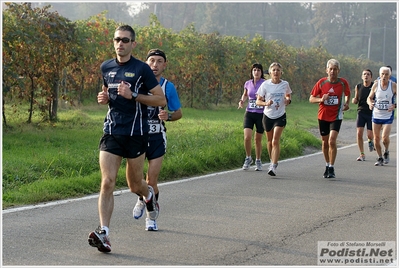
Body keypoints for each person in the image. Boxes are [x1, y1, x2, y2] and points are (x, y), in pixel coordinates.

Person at [88, 25, 166, 253]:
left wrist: (133, 95)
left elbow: (160, 99)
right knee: (107, 182)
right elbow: (107, 93)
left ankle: (149, 196)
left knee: (135, 185)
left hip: (136, 134)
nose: (120, 44)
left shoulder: (142, 69)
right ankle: (104, 233)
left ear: (133, 44)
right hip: (112, 131)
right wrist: (103, 98)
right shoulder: (106, 67)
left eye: (125, 40)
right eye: (117, 40)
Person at [133, 48, 182, 231]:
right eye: (151, 60)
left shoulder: (168, 86)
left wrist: (167, 116)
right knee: (136, 180)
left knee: (151, 180)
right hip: (137, 136)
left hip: (157, 138)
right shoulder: (137, 84)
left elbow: (178, 113)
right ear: (146, 63)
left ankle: (150, 217)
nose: (155, 65)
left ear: (164, 65)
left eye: (159, 61)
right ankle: (141, 197)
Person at [309, 59, 350, 179]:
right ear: (327, 70)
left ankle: (332, 167)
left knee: (332, 141)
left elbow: (347, 93)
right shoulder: (321, 83)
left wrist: (347, 103)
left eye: (335, 69)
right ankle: (327, 164)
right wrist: (321, 99)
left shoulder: (343, 83)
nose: (332, 71)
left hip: (337, 116)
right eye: (330, 69)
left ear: (339, 71)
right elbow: (311, 99)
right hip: (323, 115)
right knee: (325, 142)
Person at [255, 62, 292, 176]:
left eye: (278, 70)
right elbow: (258, 101)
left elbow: (288, 96)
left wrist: (287, 100)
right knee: (270, 142)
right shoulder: (265, 85)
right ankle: (272, 161)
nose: (276, 72)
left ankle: (274, 166)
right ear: (270, 73)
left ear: (281, 72)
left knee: (275, 140)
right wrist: (266, 103)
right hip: (268, 116)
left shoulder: (285, 84)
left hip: (280, 115)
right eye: (274, 70)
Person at [238, 63, 266, 171]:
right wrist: (242, 101)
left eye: (259, 70)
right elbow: (245, 94)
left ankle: (258, 160)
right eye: (254, 70)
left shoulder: (264, 83)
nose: (256, 72)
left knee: (258, 139)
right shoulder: (248, 83)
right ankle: (248, 157)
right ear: (252, 72)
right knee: (247, 137)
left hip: (261, 114)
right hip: (249, 113)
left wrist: (264, 101)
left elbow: (268, 94)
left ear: (261, 72)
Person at [367, 66, 397, 166]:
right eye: (382, 74)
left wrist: (395, 105)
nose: (384, 76)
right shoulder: (376, 85)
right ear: (379, 75)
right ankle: (380, 157)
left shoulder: (393, 86)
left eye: (386, 74)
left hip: (387, 116)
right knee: (376, 138)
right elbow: (369, 98)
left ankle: (386, 151)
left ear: (390, 75)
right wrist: (370, 103)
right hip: (376, 115)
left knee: (384, 138)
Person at [352, 69, 374, 161]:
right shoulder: (358, 86)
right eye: (364, 74)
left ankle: (370, 140)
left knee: (369, 134)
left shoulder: (374, 86)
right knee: (359, 133)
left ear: (371, 77)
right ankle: (362, 154)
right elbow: (356, 98)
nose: (366, 76)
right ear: (362, 76)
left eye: (368, 74)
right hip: (361, 112)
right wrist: (354, 100)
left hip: (371, 113)